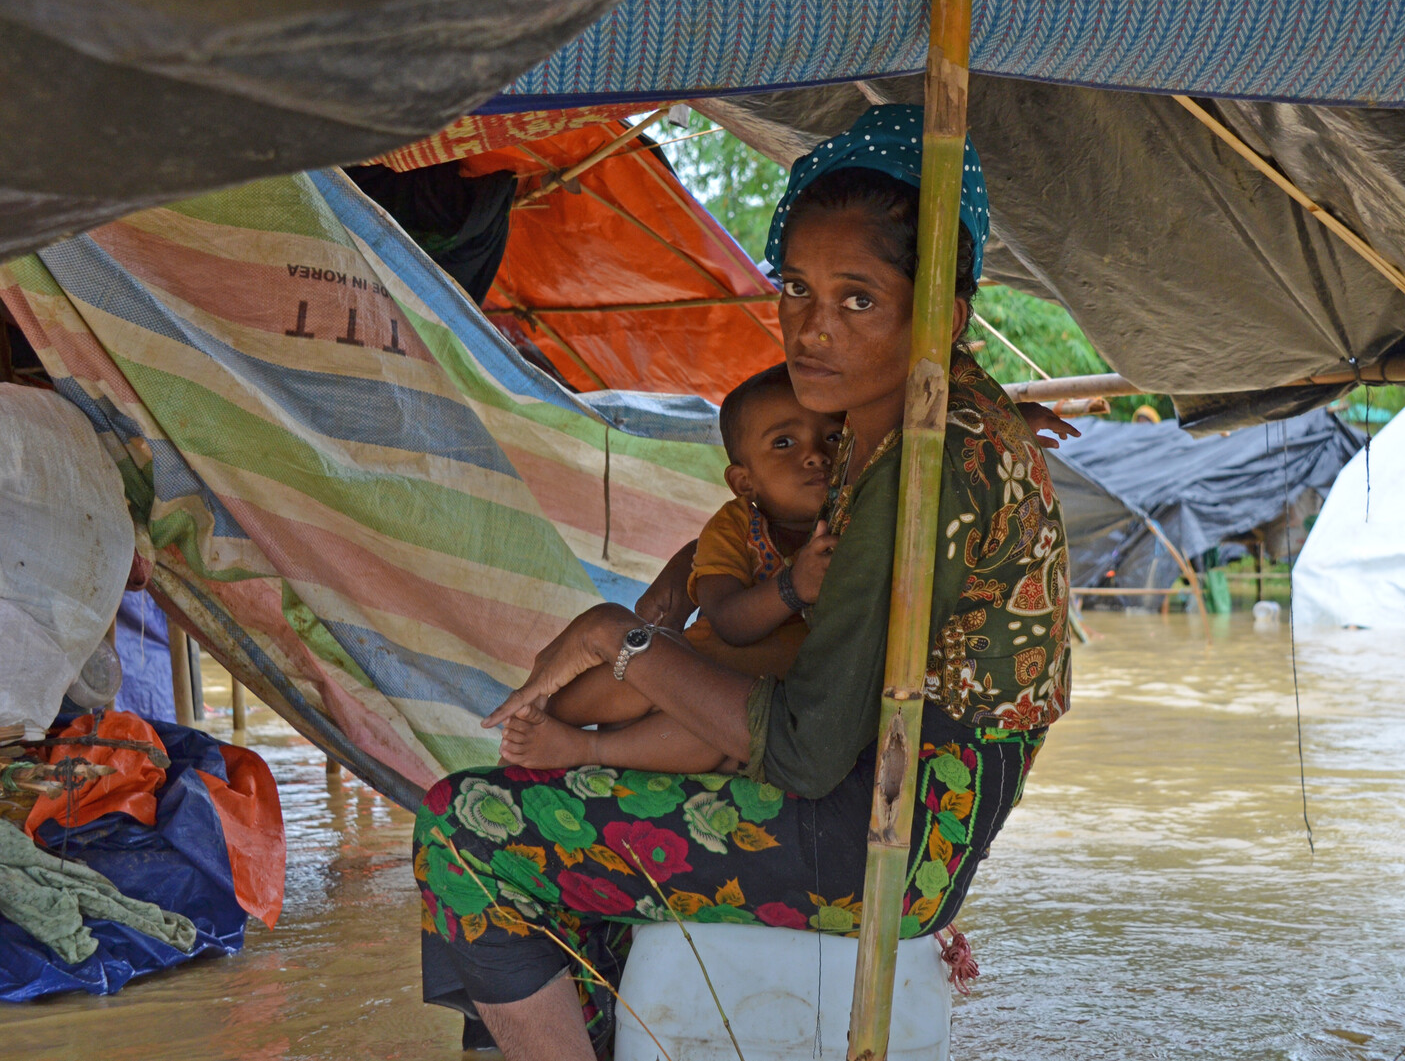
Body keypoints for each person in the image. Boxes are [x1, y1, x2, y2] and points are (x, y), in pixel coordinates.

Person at [414, 104, 1075, 1061]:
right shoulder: (924, 413)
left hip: (875, 842)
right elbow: (755, 540)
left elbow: (803, 752)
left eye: (858, 301)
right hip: (907, 812)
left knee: (465, 828)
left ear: (941, 312)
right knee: (571, 784)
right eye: (799, 289)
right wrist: (668, 607)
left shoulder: (920, 471)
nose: (812, 330)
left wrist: (624, 640)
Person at [535, 365, 844, 774]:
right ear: (743, 482)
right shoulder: (734, 526)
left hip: (730, 711)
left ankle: (589, 749)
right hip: (684, 672)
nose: (816, 455)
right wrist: (791, 587)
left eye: (835, 437)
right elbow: (729, 620)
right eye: (784, 442)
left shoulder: (849, 532)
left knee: (711, 739)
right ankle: (542, 718)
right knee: (647, 656)